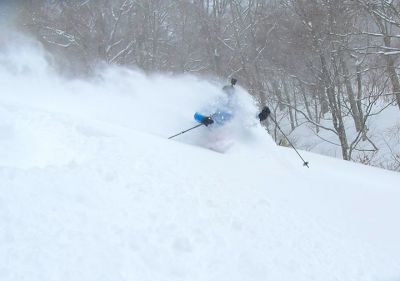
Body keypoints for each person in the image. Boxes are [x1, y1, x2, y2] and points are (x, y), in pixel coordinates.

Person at [194, 78, 271, 126]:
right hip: (210, 130)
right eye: (227, 93)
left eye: (231, 94)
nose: (229, 96)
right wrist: (204, 119)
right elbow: (196, 115)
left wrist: (261, 116)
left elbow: (249, 118)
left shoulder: (237, 105)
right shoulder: (215, 102)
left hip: (227, 133)